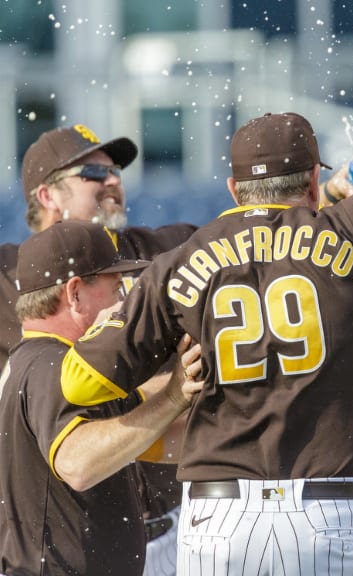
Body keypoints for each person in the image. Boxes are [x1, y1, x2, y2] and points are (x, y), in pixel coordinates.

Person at [59, 0, 353, 572]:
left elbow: (81, 382)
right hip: (330, 516)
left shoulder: (181, 263)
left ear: (232, 187)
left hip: (218, 521)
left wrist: (173, 389)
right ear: (317, 182)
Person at [2, 123, 200, 576]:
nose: (113, 180)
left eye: (117, 171)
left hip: (160, 529)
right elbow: (76, 462)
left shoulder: (151, 250)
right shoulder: (47, 357)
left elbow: (257, 232)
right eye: (94, 171)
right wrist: (170, 394)